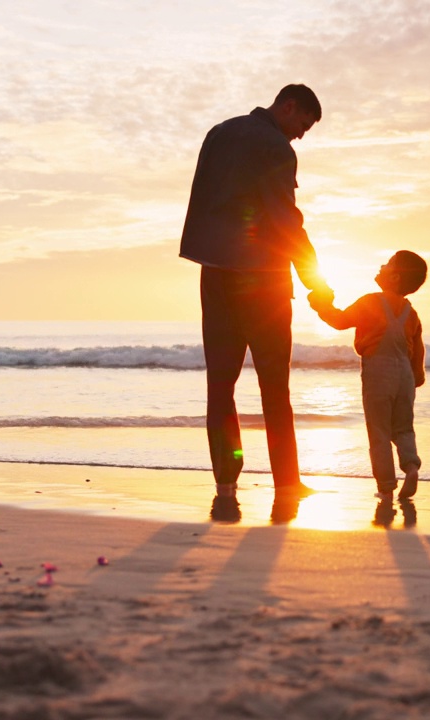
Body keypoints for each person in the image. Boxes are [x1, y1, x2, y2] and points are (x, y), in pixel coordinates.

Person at [180, 84, 331, 508]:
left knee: (220, 383)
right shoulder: (277, 149)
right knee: (274, 384)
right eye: (303, 124)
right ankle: (286, 483)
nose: (301, 135)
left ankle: (226, 483)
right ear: (289, 106)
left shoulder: (219, 133)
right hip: (262, 278)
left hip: (215, 273)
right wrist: (313, 277)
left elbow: (203, 201)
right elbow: (285, 219)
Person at [307, 251, 427, 503]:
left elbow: (339, 321)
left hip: (378, 371)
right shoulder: (411, 312)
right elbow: (418, 348)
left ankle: (385, 487)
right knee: (403, 427)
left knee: (379, 430)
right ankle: (411, 467)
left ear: (394, 277)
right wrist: (417, 375)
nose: (382, 266)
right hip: (404, 374)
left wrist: (320, 305)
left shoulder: (371, 302)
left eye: (388, 264)